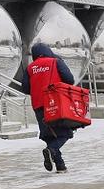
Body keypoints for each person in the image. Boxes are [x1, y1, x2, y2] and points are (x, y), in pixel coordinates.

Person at [26, 42, 77, 173]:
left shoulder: (30, 68)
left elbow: (25, 88)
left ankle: (60, 166)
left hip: (38, 105)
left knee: (49, 135)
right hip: (56, 103)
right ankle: (52, 150)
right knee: (65, 133)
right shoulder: (56, 62)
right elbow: (70, 79)